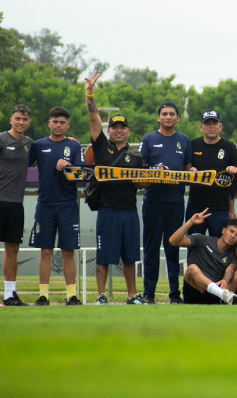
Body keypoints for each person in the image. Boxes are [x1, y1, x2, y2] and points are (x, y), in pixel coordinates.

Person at [85, 72, 148, 305]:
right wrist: (90, 93)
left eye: (123, 127)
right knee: (104, 257)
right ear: (109, 130)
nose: (119, 130)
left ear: (129, 131)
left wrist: (152, 175)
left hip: (130, 211)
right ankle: (101, 296)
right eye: (115, 127)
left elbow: (144, 183)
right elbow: (93, 117)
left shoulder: (137, 155)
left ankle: (132, 296)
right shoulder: (102, 146)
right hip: (108, 210)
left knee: (130, 257)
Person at [26, 107, 84, 306]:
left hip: (68, 204)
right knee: (46, 251)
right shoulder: (39, 145)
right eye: (55, 122)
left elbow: (81, 175)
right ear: (49, 123)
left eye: (62, 122)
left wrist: (68, 166)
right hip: (45, 204)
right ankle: (44, 296)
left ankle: (72, 296)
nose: (58, 125)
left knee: (68, 251)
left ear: (68, 125)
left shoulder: (74, 146)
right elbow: (21, 164)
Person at [138, 100, 193, 304]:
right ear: (158, 117)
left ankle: (174, 294)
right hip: (153, 200)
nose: (168, 117)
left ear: (178, 118)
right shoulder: (149, 139)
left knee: (173, 247)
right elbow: (140, 172)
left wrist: (192, 172)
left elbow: (188, 168)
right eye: (164, 114)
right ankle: (149, 293)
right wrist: (154, 171)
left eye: (172, 114)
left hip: (175, 201)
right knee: (151, 247)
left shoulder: (184, 141)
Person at [186, 110, 237, 238]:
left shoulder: (229, 146)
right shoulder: (192, 145)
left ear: (220, 127)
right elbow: (185, 169)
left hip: (220, 207)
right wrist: (190, 172)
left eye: (215, 123)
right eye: (207, 123)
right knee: (194, 245)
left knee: (220, 246)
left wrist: (236, 170)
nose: (211, 127)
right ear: (201, 127)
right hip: (196, 206)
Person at [169, 209, 237, 305]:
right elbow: (173, 241)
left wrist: (225, 280)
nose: (233, 235)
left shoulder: (233, 254)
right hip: (195, 290)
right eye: (231, 231)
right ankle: (223, 294)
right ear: (224, 230)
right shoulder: (202, 240)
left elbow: (230, 269)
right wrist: (190, 222)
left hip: (214, 296)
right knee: (192, 268)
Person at [1, 105, 33, 306]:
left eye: (25, 119)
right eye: (18, 118)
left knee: (13, 248)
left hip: (15, 204)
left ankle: (9, 295)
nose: (21, 122)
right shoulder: (2, 139)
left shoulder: (30, 143)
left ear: (29, 123)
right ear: (11, 119)